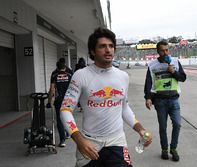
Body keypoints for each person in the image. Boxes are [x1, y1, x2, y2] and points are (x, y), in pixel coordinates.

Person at [60, 27, 152, 167]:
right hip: (89, 142)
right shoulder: (81, 75)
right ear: (92, 51)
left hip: (117, 141)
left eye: (110, 46)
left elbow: (124, 107)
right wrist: (79, 139)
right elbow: (65, 110)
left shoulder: (123, 77)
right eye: (102, 46)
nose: (108, 50)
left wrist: (141, 129)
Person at [144, 41, 186, 161]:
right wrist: (148, 98)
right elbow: (148, 83)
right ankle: (164, 149)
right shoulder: (152, 65)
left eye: (167, 50)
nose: (165, 52)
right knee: (163, 127)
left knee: (177, 124)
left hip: (174, 100)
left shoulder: (175, 62)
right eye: (162, 50)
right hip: (160, 101)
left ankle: (173, 148)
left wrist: (174, 72)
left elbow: (183, 78)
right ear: (158, 51)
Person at [47, 58, 73, 147]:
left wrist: (49, 102)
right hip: (69, 99)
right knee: (67, 116)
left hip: (59, 100)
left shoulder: (54, 74)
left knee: (59, 119)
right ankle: (68, 133)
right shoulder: (70, 73)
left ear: (57, 67)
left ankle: (62, 140)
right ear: (64, 65)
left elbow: (52, 89)